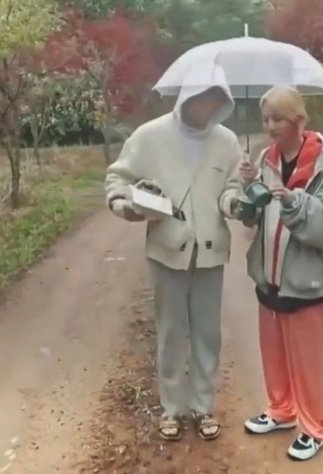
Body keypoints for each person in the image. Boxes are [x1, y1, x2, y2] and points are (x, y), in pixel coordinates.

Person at [104, 65, 242, 442]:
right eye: (204, 100)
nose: (209, 109)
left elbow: (231, 188)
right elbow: (118, 178)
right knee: (171, 331)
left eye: (217, 102)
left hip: (211, 252)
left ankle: (202, 406)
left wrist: (233, 203)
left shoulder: (227, 141)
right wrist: (125, 206)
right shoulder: (150, 136)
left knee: (207, 333)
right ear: (189, 97)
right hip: (167, 250)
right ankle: (172, 408)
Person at [235, 86, 323, 461]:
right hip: (268, 275)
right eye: (266, 119)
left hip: (305, 280)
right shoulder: (264, 159)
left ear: (298, 121)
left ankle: (314, 428)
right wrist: (249, 187)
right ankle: (281, 410)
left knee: (307, 360)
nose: (270, 127)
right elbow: (251, 218)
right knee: (273, 352)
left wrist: (296, 202)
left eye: (278, 119)